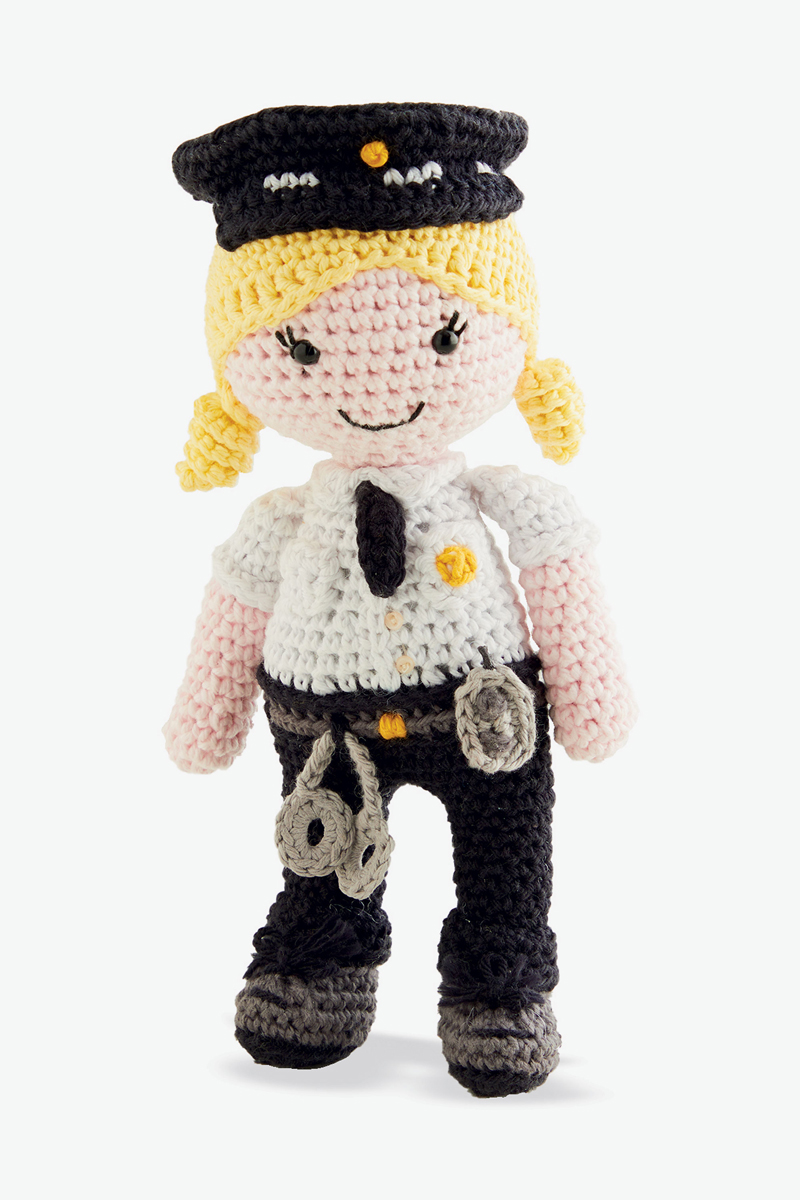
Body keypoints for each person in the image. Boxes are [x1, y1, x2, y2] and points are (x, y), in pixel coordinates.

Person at [164, 102, 636, 1097]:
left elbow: (559, 569)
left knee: (506, 858)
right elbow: (234, 600)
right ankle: (316, 964)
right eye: (300, 349)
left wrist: (591, 697)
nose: (376, 384)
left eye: (446, 334)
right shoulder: (282, 522)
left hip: (485, 719)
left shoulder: (506, 499)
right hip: (325, 724)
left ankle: (499, 985)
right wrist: (206, 715)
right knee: (323, 851)